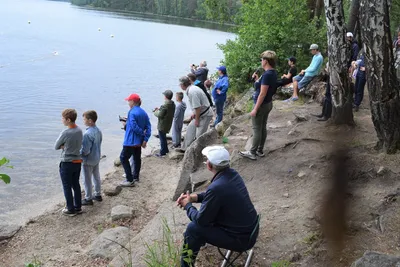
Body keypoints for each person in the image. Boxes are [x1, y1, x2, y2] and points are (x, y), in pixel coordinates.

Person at [177, 146, 259, 267]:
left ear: (209, 166)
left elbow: (201, 221)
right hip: (251, 230)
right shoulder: (233, 175)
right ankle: (199, 242)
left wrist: (188, 205)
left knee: (193, 229)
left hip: (241, 240)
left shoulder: (217, 187)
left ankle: (186, 265)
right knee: (207, 220)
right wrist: (195, 198)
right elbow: (214, 196)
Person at [239, 50, 278, 160]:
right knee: (262, 127)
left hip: (261, 105)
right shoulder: (272, 72)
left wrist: (255, 109)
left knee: (256, 128)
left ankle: (252, 152)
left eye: (262, 59)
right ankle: (259, 150)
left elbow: (262, 93)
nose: (261, 61)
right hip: (268, 103)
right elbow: (264, 87)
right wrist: (257, 80)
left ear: (266, 61)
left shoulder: (266, 75)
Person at [54, 109, 83, 216]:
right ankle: (78, 206)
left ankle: (70, 208)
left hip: (67, 162)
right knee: (76, 184)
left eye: (63, 118)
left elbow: (56, 146)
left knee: (66, 186)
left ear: (68, 120)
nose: (62, 120)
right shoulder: (79, 130)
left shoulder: (66, 132)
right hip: (77, 161)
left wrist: (63, 146)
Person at [120, 93, 151, 187]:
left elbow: (133, 126)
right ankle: (136, 176)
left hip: (130, 141)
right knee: (137, 159)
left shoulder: (132, 112)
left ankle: (129, 180)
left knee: (123, 158)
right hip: (139, 142)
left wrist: (142, 133)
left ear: (133, 102)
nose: (128, 102)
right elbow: (148, 127)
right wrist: (145, 138)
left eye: (128, 101)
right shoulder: (143, 112)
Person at [178, 76, 213, 151]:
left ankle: (199, 152)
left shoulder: (192, 92)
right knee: (190, 130)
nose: (180, 86)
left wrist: (196, 120)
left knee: (199, 136)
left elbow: (198, 107)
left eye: (180, 84)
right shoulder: (192, 88)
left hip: (205, 115)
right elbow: (197, 106)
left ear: (182, 85)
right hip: (200, 113)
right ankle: (185, 149)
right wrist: (194, 114)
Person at [80, 110, 103, 205]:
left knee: (87, 180)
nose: (83, 121)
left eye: (84, 119)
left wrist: (77, 153)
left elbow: (85, 151)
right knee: (96, 176)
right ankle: (98, 194)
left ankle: (88, 198)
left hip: (88, 160)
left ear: (90, 120)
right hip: (96, 157)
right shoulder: (98, 130)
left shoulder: (87, 134)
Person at [153, 90, 176, 157]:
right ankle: (165, 150)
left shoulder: (165, 105)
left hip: (162, 124)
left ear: (165, 96)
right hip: (168, 123)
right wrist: (159, 109)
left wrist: (155, 111)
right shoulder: (172, 104)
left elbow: (160, 115)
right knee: (163, 137)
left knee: (162, 138)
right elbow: (166, 112)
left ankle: (162, 152)